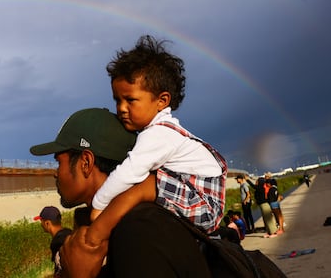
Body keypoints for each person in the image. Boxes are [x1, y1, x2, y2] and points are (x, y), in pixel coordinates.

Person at [30, 108, 212, 277]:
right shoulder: (125, 221)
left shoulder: (138, 230)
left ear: (86, 162)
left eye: (59, 162)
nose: (56, 173)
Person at [90, 35, 227, 236]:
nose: (121, 108)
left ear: (161, 101)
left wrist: (99, 203)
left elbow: (128, 172)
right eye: (117, 100)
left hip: (204, 205)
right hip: (199, 197)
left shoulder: (157, 134)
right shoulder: (166, 130)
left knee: (147, 182)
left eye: (130, 100)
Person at [34, 206, 72, 277]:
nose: (41, 224)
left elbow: (59, 269)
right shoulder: (69, 232)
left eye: (41, 221)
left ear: (47, 223)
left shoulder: (57, 242)